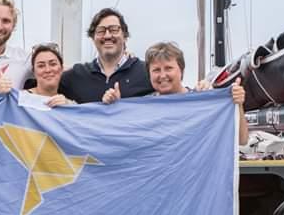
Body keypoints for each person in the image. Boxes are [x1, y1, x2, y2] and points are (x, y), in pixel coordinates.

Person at [104, 41, 249, 144]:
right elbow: (118, 141)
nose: (162, 75)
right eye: (156, 70)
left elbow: (241, 140)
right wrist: (115, 109)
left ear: (181, 70)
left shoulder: (201, 102)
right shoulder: (143, 109)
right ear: (149, 75)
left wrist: (238, 104)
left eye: (168, 68)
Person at [58, 8, 152, 103]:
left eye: (114, 30)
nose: (107, 36)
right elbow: (45, 89)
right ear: (92, 38)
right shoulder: (76, 75)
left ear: (125, 36)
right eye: (100, 31)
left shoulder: (147, 72)